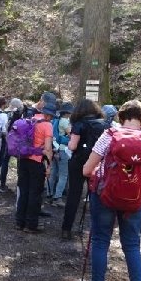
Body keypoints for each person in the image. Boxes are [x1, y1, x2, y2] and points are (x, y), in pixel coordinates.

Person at [82, 100, 141, 281]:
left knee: (100, 241)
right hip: (135, 201)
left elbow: (87, 170)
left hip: (105, 197)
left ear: (120, 118)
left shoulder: (109, 136)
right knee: (132, 246)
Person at [60, 99, 107, 239]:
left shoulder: (79, 124)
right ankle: (96, 231)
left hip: (78, 162)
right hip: (97, 163)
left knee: (74, 195)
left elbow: (72, 146)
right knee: (96, 195)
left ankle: (66, 229)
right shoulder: (104, 125)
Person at [15, 103, 54, 233]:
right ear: (48, 115)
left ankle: (19, 222)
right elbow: (48, 148)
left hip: (23, 160)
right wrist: (49, 166)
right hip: (36, 162)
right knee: (35, 193)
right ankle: (31, 225)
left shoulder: (30, 119)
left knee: (24, 191)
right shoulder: (47, 125)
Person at [47, 102, 73, 207]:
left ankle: (49, 194)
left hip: (54, 149)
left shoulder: (55, 120)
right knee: (63, 175)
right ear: (68, 113)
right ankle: (57, 197)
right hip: (63, 150)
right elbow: (71, 135)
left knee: (53, 172)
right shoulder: (65, 122)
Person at [0, 97, 19, 193]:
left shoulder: (3, 113)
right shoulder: (12, 114)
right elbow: (7, 129)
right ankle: (0, 184)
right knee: (3, 163)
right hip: (6, 140)